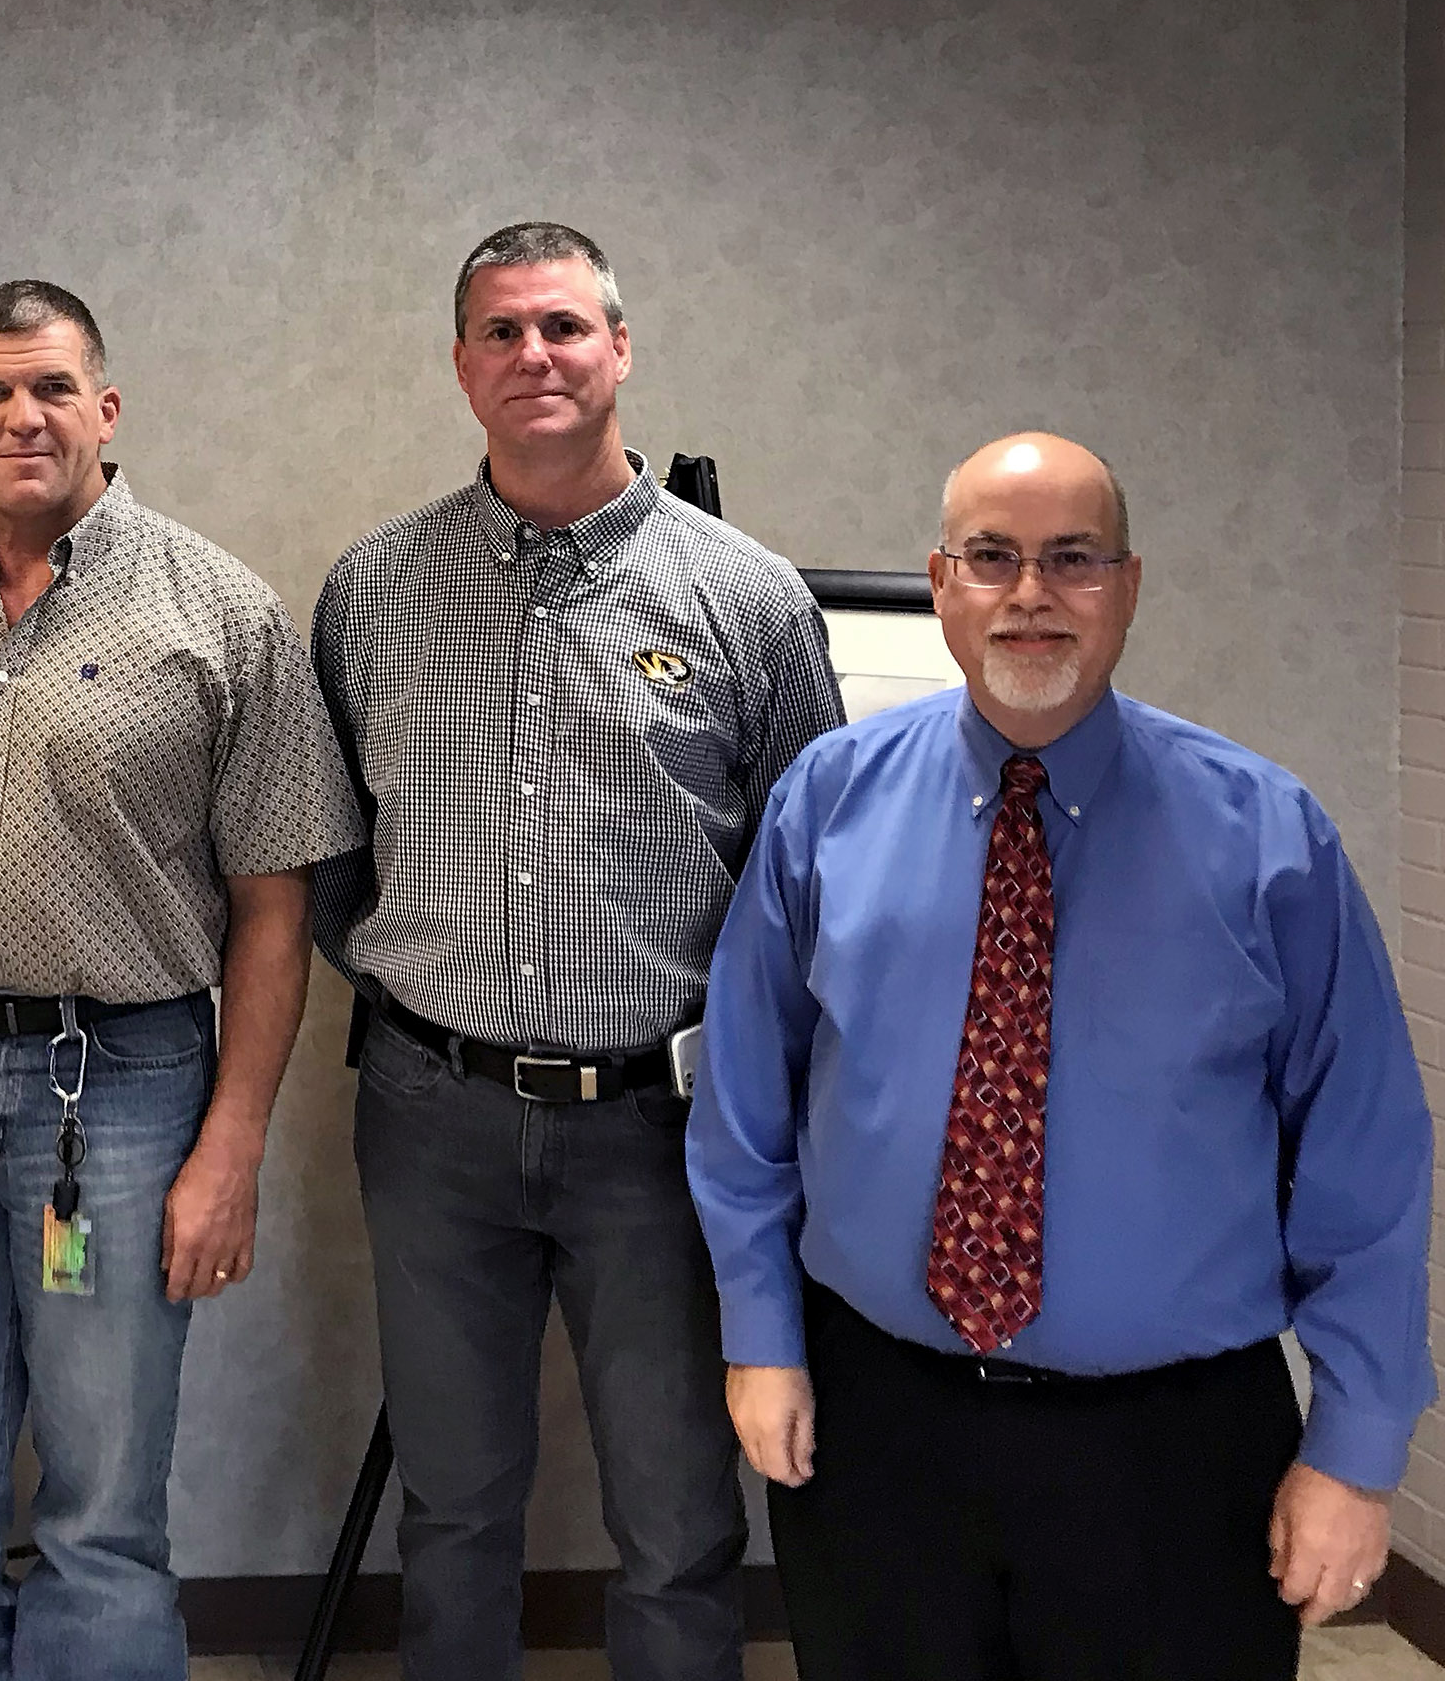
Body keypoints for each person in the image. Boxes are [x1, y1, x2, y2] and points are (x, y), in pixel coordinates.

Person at [689, 433, 1433, 1679]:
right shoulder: (826, 803)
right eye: (991, 557)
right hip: (880, 1424)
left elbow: (1365, 1168)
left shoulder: (1267, 840)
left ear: (1126, 588)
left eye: (1071, 559)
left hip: (1170, 1446)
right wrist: (760, 1336)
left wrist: (1353, 1449)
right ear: (939, 584)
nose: (1029, 593)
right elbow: (745, 1099)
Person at [0, 280, 357, 1681]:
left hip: (122, 1088)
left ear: (106, 408)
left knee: (104, 1499)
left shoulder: (220, 611)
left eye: (51, 387)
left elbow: (275, 907)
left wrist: (229, 1148)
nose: (22, 415)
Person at [310, 222, 843, 1681]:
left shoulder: (745, 598)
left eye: (562, 327)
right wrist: (436, 995)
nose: (533, 356)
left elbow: (810, 880)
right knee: (455, 1505)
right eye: (501, 333)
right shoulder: (373, 591)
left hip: (665, 1133)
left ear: (620, 349)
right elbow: (332, 856)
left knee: (677, 1520)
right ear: (462, 368)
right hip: (434, 1119)